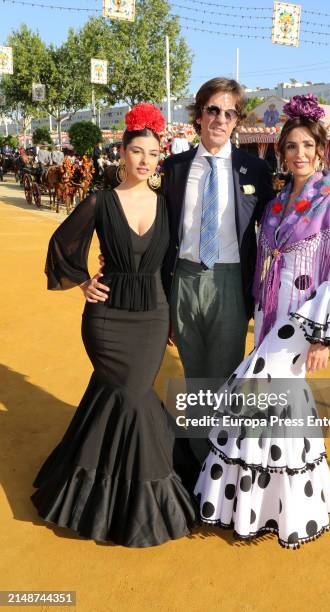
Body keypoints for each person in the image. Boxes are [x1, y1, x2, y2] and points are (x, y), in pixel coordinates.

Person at [194, 94, 330, 549]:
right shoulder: (275, 204)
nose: (299, 154)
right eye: (290, 146)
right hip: (268, 311)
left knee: (255, 391)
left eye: (307, 146)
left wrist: (322, 337)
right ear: (282, 152)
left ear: (321, 150)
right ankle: (283, 504)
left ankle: (258, 501)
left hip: (302, 319)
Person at [31, 103, 198, 548]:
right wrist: (83, 281)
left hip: (151, 315)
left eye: (153, 154)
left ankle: (92, 484)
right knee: (130, 394)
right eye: (137, 151)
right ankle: (150, 499)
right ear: (122, 153)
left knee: (128, 394)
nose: (145, 161)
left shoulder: (167, 206)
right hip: (106, 319)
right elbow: (61, 243)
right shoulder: (99, 201)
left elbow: (169, 265)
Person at [162, 77, 274, 467]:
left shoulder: (254, 169)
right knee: (195, 379)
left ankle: (221, 467)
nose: (221, 119)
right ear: (198, 114)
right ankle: (196, 466)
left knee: (226, 379)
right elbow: (161, 231)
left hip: (229, 281)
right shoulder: (174, 168)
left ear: (237, 120)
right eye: (213, 109)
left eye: (230, 113)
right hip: (186, 280)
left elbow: (278, 227)